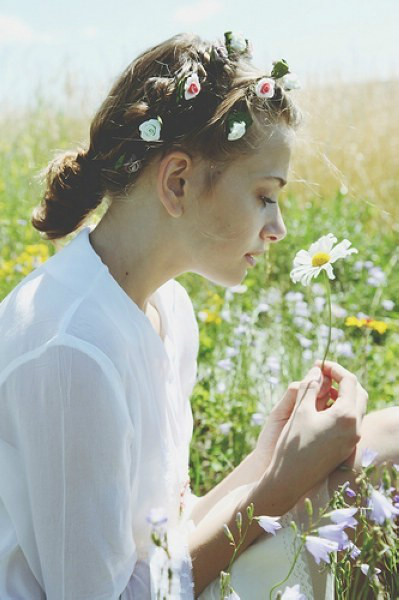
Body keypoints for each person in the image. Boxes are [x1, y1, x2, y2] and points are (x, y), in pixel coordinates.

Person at [0, 31, 397, 600]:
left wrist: (268, 457)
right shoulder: (71, 350)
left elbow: (170, 538)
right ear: (178, 181)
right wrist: (277, 488)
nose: (278, 227)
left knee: (384, 440)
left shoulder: (166, 307)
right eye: (264, 194)